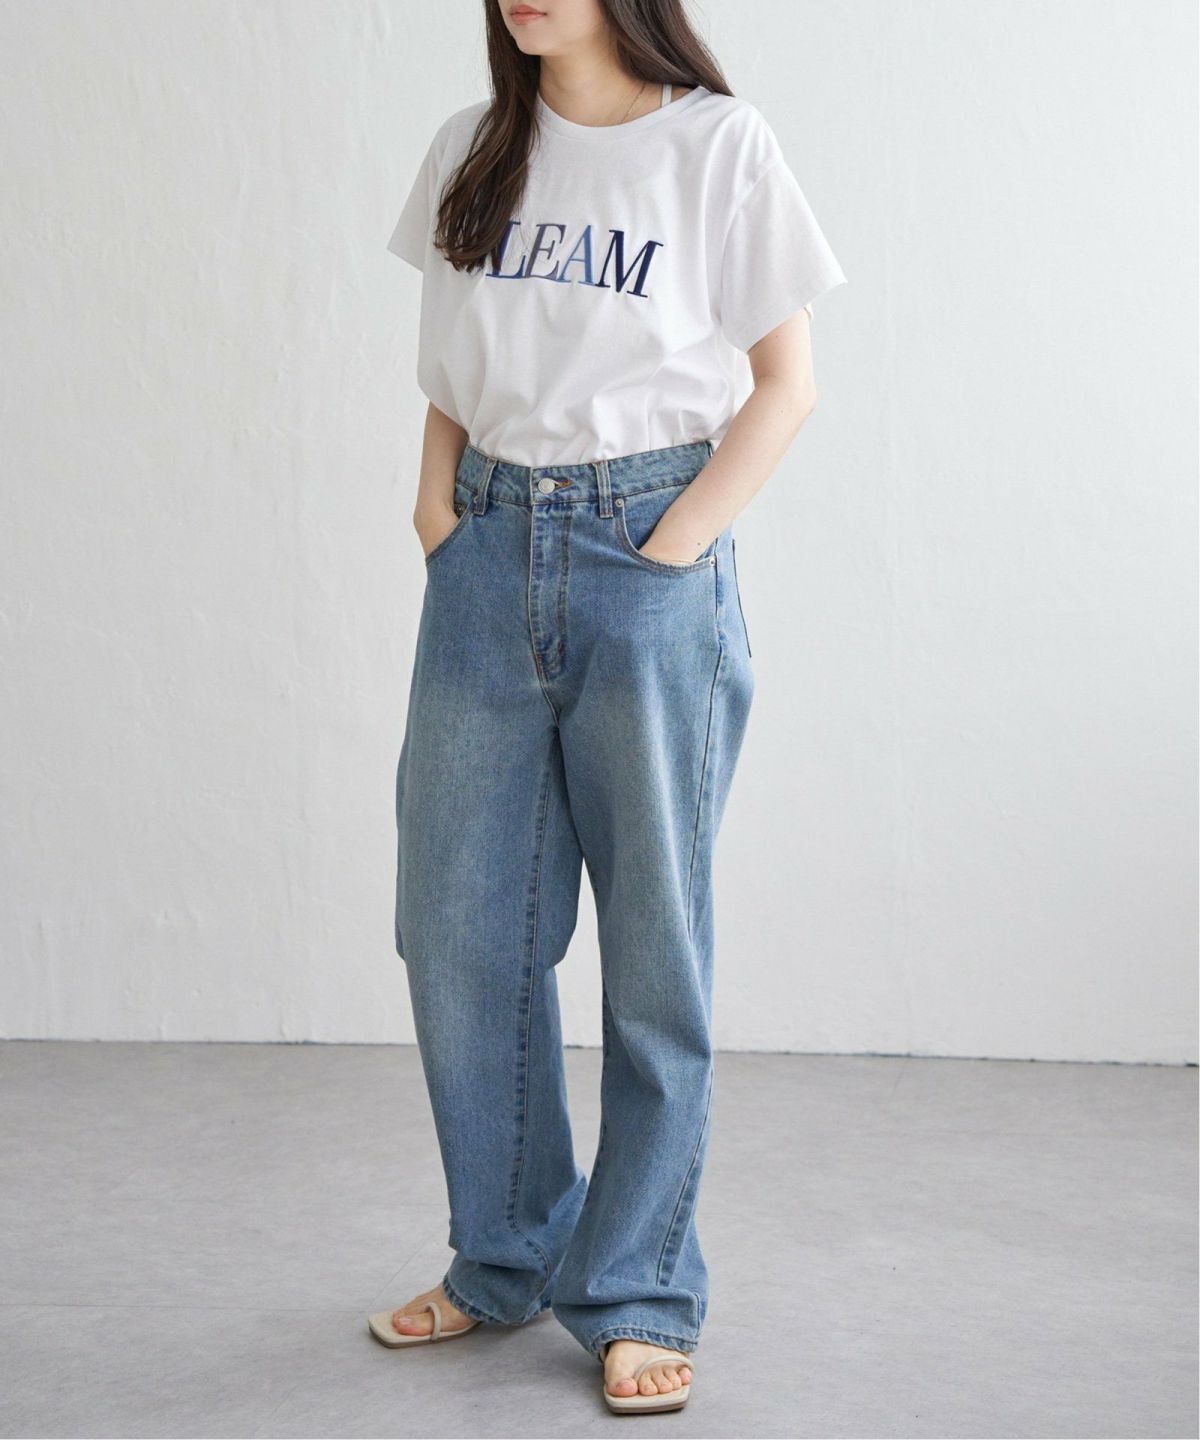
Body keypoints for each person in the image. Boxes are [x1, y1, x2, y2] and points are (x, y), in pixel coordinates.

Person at [369, 0, 846, 1416]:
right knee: (458, 931)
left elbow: (788, 384)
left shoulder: (718, 146)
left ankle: (636, 1288)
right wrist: (438, 514)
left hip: (647, 552)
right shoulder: (473, 146)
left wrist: (672, 551)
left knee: (654, 951)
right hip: (484, 551)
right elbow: (449, 375)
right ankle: (506, 1251)